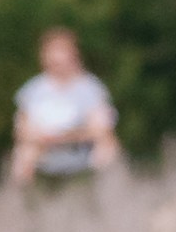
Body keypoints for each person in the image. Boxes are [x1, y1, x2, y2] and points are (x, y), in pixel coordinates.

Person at [11, 28, 119, 186]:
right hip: (44, 149)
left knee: (108, 149)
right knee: (22, 155)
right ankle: (26, 201)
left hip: (80, 148)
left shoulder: (90, 88)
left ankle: (107, 195)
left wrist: (67, 137)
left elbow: (101, 128)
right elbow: (22, 129)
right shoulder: (33, 90)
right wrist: (42, 138)